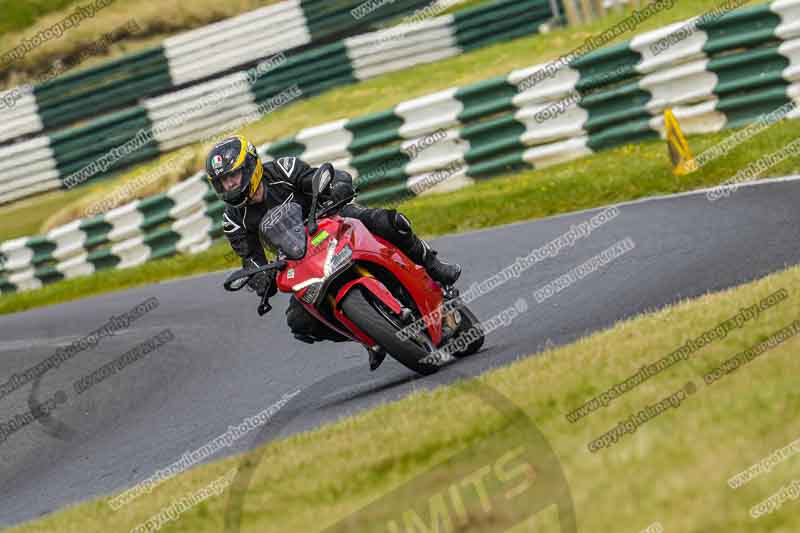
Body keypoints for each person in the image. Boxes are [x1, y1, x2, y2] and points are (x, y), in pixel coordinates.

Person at [207, 135, 461, 369]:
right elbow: (251, 259)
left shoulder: (283, 170)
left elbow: (320, 177)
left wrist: (338, 186)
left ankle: (434, 265)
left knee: (389, 222)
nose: (229, 185)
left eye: (233, 176)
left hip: (329, 220)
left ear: (251, 167)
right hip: (298, 257)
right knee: (299, 323)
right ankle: (369, 336)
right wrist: (260, 279)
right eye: (222, 182)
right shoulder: (233, 221)